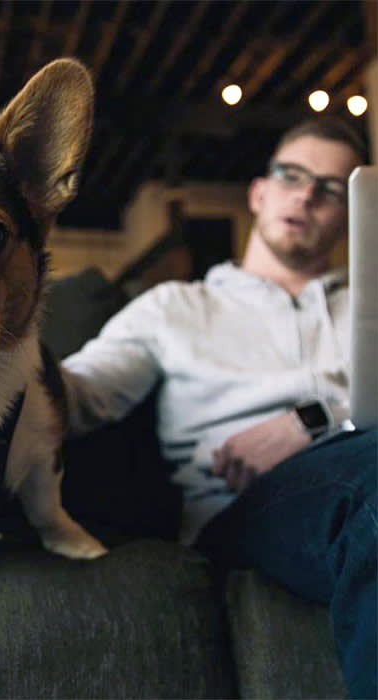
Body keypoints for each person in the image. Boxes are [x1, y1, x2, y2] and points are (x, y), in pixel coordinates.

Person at [61, 118, 376, 699]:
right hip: (243, 507)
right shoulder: (175, 307)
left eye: (330, 189)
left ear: (349, 210)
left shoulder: (369, 303)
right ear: (259, 192)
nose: (307, 196)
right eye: (293, 176)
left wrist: (316, 419)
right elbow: (78, 395)